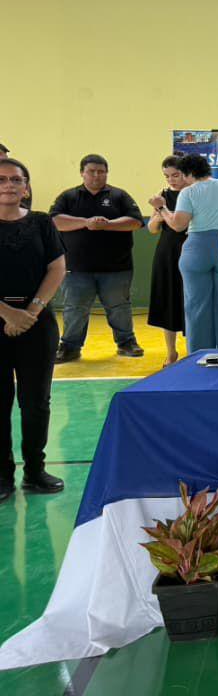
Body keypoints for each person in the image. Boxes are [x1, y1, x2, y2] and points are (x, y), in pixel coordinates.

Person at [0, 158, 68, 500]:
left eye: (16, 179)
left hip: (37, 323)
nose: (9, 185)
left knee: (36, 402)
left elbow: (57, 268)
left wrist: (30, 311)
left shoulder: (42, 222)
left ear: (26, 187)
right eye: (2, 179)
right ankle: (2, 475)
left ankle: (35, 470)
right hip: (3, 318)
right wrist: (7, 314)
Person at [49, 154, 145, 362]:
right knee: (75, 309)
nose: (96, 175)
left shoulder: (119, 196)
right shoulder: (68, 196)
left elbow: (136, 222)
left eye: (101, 171)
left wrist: (107, 225)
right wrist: (86, 222)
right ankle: (70, 347)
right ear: (82, 173)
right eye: (91, 171)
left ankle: (126, 343)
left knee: (119, 307)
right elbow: (55, 221)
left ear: (107, 173)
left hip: (117, 267)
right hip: (76, 267)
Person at [163, 154, 218, 351]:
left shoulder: (188, 192)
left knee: (196, 307)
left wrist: (162, 209)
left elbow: (178, 225)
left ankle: (199, 356)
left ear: (187, 173)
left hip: (196, 250)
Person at [146, 155, 191, 365]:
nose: (171, 180)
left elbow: (180, 225)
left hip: (191, 251)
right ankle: (171, 352)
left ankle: (193, 349)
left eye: (175, 175)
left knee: (191, 301)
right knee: (168, 301)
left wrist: (166, 213)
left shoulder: (194, 193)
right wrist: (158, 216)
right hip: (167, 252)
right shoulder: (162, 196)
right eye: (167, 176)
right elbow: (152, 229)